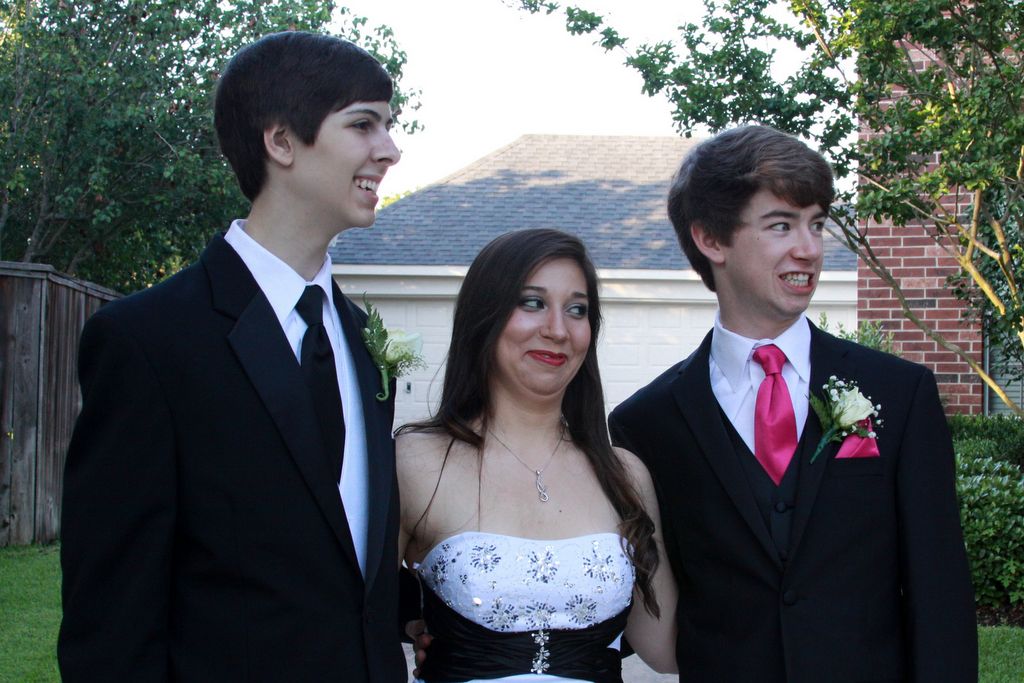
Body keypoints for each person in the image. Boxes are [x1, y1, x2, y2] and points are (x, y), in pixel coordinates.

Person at [58, 31, 407, 681]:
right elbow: (110, 622)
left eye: (388, 126)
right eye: (364, 124)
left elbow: (338, 564)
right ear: (281, 142)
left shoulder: (362, 342)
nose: (389, 149)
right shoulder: (148, 341)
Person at [609, 125, 978, 682]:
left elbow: (940, 594)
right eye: (781, 225)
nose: (809, 248)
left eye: (816, 224)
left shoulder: (901, 394)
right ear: (711, 239)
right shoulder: (646, 424)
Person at [397, 228, 677, 681]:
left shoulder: (625, 475)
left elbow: (666, 649)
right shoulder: (416, 461)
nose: (557, 330)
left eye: (577, 309)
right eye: (532, 303)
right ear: (484, 315)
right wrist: (410, 622)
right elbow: (349, 617)